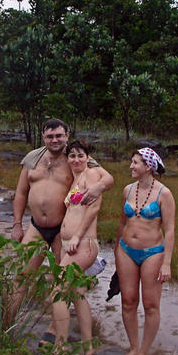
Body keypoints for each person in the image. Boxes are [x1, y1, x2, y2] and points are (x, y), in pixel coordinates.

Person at [9, 119, 113, 328]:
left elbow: (108, 178)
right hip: (36, 227)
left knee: (62, 283)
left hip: (61, 231)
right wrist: (17, 223)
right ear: (43, 137)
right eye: (49, 136)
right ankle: (4, 325)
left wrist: (97, 187)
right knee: (21, 275)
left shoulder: (75, 157)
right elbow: (21, 193)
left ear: (67, 135)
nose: (54, 140)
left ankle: (54, 331)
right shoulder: (32, 158)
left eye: (59, 136)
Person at [114, 147, 176, 355]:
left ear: (148, 167)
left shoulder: (164, 194)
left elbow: (169, 230)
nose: (131, 166)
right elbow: (122, 223)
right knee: (128, 300)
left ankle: (144, 352)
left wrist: (167, 262)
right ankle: (133, 348)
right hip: (126, 251)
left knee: (150, 304)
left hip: (153, 253)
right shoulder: (127, 190)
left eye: (135, 163)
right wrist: (116, 249)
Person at [50, 140, 103, 355]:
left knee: (58, 292)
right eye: (72, 156)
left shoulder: (91, 175)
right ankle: (88, 348)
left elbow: (94, 208)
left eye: (81, 155)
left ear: (88, 157)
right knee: (77, 293)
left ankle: (60, 350)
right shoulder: (76, 179)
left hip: (82, 244)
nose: (76, 160)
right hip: (70, 245)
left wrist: (76, 236)